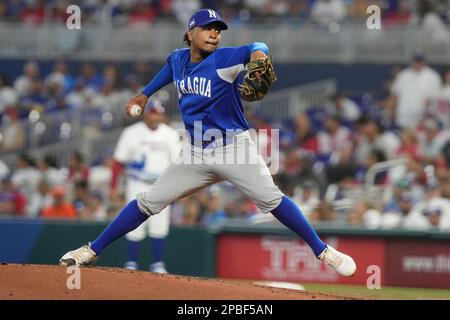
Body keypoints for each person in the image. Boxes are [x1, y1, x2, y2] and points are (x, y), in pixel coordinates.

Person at [59, 8, 356, 277]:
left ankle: (323, 251)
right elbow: (169, 70)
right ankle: (92, 250)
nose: (214, 33)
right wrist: (144, 94)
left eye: (218, 29)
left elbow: (258, 46)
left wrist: (260, 58)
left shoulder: (223, 59)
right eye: (207, 28)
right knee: (149, 202)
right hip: (195, 152)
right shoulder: (178, 58)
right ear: (191, 33)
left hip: (233, 148)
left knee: (272, 200)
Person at [110, 100, 179, 273]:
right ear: (146, 113)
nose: (155, 115)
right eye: (152, 112)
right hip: (137, 182)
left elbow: (178, 163)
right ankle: (131, 262)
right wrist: (113, 186)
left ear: (162, 115)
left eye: (158, 112)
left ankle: (158, 264)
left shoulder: (170, 134)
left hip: (161, 184)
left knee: (159, 224)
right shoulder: (131, 133)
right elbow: (118, 162)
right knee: (133, 224)